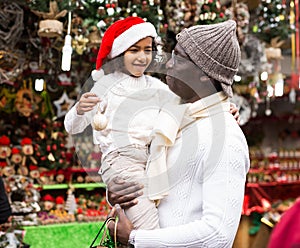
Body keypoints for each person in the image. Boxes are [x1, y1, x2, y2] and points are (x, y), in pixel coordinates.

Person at [65, 16, 240, 231]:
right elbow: (72, 127)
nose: (141, 57)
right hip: (122, 160)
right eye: (134, 50)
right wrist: (79, 110)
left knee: (145, 219)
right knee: (146, 224)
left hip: (146, 162)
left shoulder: (157, 87)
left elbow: (184, 111)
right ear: (119, 54)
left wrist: (222, 108)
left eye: (147, 50)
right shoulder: (106, 85)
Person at [106, 20, 250, 248]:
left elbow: (218, 235)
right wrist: (122, 192)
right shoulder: (173, 121)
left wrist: (135, 238)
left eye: (178, 58)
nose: (168, 63)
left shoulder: (225, 139)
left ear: (204, 74)